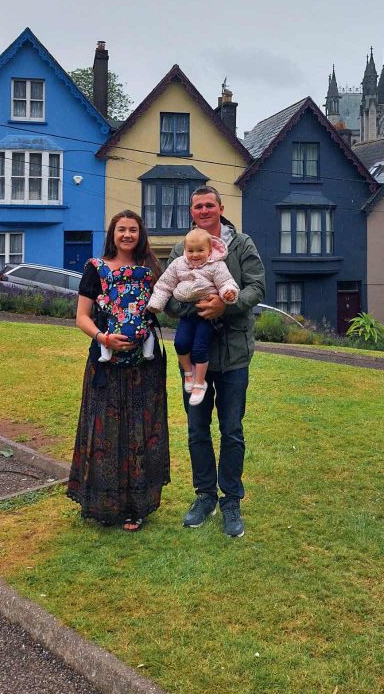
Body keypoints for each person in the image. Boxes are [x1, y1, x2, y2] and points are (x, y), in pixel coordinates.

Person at [165, 186, 265, 538]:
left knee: (232, 430)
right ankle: (205, 496)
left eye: (210, 205)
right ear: (191, 211)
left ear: (221, 208)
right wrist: (195, 304)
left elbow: (257, 288)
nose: (204, 210)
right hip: (194, 356)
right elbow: (170, 297)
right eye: (198, 206)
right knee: (196, 429)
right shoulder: (182, 249)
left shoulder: (242, 245)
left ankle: (231, 500)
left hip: (234, 353)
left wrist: (227, 304)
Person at [67, 210, 170, 532]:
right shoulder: (94, 270)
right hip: (105, 364)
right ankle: (102, 504)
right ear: (112, 233)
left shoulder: (152, 269)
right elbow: (82, 316)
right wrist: (103, 337)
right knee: (105, 432)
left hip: (145, 366)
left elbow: (168, 302)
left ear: (141, 235)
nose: (127, 235)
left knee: (141, 430)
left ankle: (136, 507)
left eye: (133, 230)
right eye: (122, 229)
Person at [147, 227, 239, 407]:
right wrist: (156, 303)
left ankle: (199, 383)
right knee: (180, 343)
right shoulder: (178, 264)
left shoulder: (216, 265)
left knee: (199, 348)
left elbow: (226, 282)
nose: (195, 255)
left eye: (200, 250)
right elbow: (165, 284)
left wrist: (228, 293)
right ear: (185, 250)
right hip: (187, 314)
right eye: (190, 250)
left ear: (210, 250)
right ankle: (188, 373)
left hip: (206, 314)